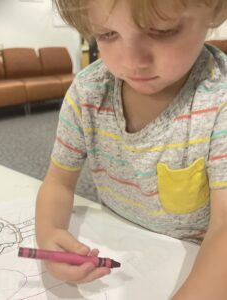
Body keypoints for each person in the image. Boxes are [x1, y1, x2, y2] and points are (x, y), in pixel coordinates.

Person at [35, 0, 227, 298]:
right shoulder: (88, 91)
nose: (132, 61)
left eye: (162, 31)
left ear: (216, 10)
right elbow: (58, 183)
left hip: (196, 262)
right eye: (108, 34)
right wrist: (49, 234)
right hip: (120, 252)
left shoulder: (219, 100)